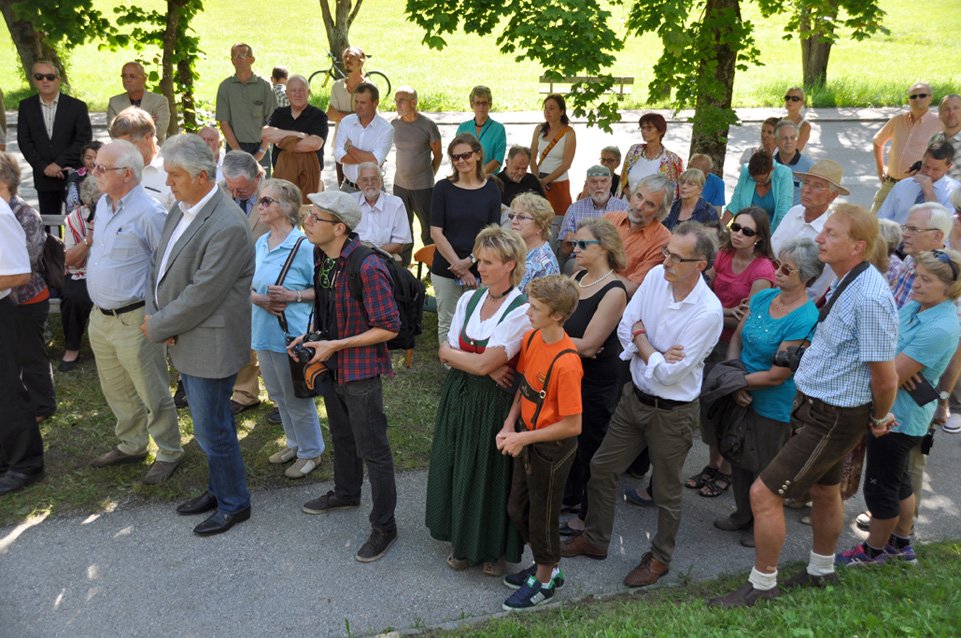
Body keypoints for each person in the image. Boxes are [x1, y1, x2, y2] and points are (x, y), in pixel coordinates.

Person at [710, 205, 898, 608]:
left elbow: (884, 374)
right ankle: (820, 570)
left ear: (858, 245)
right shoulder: (848, 280)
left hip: (834, 415)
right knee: (826, 490)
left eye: (830, 233)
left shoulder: (870, 296)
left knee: (764, 492)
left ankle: (761, 585)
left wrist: (881, 417)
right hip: (818, 407)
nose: (819, 239)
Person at [561, 222, 723, 588]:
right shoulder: (654, 278)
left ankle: (660, 558)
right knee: (601, 468)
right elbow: (625, 328)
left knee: (666, 491)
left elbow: (670, 374)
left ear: (700, 264)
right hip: (633, 397)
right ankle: (596, 539)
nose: (666, 262)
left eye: (677, 258)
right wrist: (650, 345)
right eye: (666, 252)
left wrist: (642, 340)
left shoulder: (708, 312)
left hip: (672, 413)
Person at [147, 133, 255, 536]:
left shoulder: (227, 224)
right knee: (207, 424)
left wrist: (160, 324)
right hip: (185, 333)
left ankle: (234, 502)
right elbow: (158, 265)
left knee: (213, 429)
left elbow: (204, 292)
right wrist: (158, 313)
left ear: (202, 176)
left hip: (209, 341)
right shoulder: (183, 206)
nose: (169, 182)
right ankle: (217, 489)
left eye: (174, 175)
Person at [836, 249, 961, 567]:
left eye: (925, 279)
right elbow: (884, 343)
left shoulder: (941, 327)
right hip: (895, 410)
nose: (915, 284)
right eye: (917, 275)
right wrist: (890, 362)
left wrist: (890, 365)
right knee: (900, 480)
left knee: (881, 488)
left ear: (948, 288)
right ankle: (902, 545)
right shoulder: (916, 306)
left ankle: (873, 553)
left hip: (897, 419)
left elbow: (889, 374)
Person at [296, 190, 400, 563]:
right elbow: (329, 308)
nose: (306, 221)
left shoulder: (368, 267)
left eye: (314, 217)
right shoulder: (321, 254)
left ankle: (385, 526)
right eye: (307, 213)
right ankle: (345, 492)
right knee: (341, 433)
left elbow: (388, 327)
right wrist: (313, 338)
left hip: (360, 370)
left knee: (373, 449)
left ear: (339, 227)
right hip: (332, 362)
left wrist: (337, 346)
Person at [426, 225, 531, 575]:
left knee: (488, 474)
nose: (480, 268)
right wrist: (483, 367)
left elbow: (469, 355)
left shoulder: (521, 309)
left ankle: (492, 549)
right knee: (458, 466)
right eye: (479, 260)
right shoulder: (470, 299)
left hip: (494, 404)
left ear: (511, 264)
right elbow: (444, 351)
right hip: (461, 395)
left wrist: (477, 363)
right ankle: (462, 542)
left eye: (488, 262)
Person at [85, 140, 184, 485]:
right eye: (95, 165)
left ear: (127, 174)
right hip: (101, 317)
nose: (93, 172)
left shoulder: (150, 213)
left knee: (151, 390)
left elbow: (168, 269)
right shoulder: (103, 203)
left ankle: (170, 450)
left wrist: (161, 318)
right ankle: (132, 444)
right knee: (115, 388)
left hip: (135, 318)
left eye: (101, 167)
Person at [713, 238, 822, 547]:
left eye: (787, 268)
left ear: (807, 276)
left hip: (771, 401)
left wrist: (739, 384)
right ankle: (742, 514)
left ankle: (761, 525)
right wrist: (735, 374)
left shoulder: (805, 317)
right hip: (741, 386)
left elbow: (779, 375)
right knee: (737, 454)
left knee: (765, 466)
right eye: (777, 264)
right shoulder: (764, 297)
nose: (778, 271)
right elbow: (737, 336)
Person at [499, 275, 583, 611]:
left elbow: (572, 425)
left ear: (558, 315)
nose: (528, 311)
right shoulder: (533, 338)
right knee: (517, 508)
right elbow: (524, 387)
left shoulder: (567, 363)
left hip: (551, 449)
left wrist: (524, 437)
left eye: (535, 307)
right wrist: (509, 424)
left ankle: (545, 580)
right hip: (527, 438)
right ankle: (549, 566)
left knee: (543, 516)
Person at [687, 207, 774, 498]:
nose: (738, 234)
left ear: (759, 238)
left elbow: (747, 320)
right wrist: (722, 311)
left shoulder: (762, 271)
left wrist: (713, 312)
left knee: (727, 410)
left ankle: (725, 471)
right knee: (710, 408)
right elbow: (699, 294)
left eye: (747, 231)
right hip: (710, 337)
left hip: (735, 346)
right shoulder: (723, 254)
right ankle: (712, 466)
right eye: (736, 227)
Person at [249, 178, 325, 479]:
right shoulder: (260, 242)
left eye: (267, 201)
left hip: (293, 335)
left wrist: (292, 296)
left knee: (295, 396)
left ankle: (311, 452)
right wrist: (259, 299)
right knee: (278, 396)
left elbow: (323, 291)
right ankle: (295, 444)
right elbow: (248, 286)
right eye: (260, 200)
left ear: (288, 207)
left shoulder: (304, 246)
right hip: (263, 331)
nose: (261, 206)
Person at [559, 217, 628, 537]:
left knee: (591, 445)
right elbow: (561, 323)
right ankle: (570, 497)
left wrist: (551, 336)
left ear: (603, 248)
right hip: (571, 372)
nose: (575, 249)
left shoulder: (615, 290)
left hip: (597, 381)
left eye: (582, 244)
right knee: (568, 441)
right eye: (574, 243)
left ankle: (588, 515)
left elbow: (590, 344)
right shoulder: (578, 276)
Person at [429, 133, 502, 344]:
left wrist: (470, 261)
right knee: (448, 320)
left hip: (482, 265)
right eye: (455, 157)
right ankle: (449, 366)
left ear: (478, 155)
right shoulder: (443, 188)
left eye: (466, 155)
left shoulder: (491, 189)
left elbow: (493, 233)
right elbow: (436, 231)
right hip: (446, 266)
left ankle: (473, 364)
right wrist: (458, 265)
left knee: (479, 319)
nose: (461, 161)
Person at [0, 153, 43, 496]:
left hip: (3, 313)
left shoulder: (1, 214)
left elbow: (19, 273)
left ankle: (26, 462)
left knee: (7, 389)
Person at [5, 156, 56, 423]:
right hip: (8, 298)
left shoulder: (25, 214)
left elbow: (29, 260)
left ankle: (42, 406)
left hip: (28, 298)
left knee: (31, 354)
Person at [220, 151, 269, 417]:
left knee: (269, 339)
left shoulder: (277, 194)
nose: (236, 192)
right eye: (232, 187)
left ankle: (282, 396)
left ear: (258, 176)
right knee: (240, 336)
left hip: (265, 279)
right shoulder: (219, 193)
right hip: (229, 278)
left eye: (243, 188)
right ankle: (245, 392)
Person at [17, 61, 92, 219]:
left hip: (72, 174)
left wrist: (58, 164)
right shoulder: (26, 106)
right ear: (33, 79)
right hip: (44, 176)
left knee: (78, 220)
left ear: (58, 79)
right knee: (49, 225)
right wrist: (44, 167)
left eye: (50, 77)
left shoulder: (77, 107)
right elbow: (24, 141)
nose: (45, 81)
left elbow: (83, 140)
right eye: (39, 76)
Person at [770, 159, 848, 300]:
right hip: (765, 286)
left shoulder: (831, 235)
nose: (806, 190)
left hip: (791, 302)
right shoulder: (794, 212)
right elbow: (770, 249)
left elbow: (816, 291)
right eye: (806, 183)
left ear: (833, 195)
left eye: (817, 186)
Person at [871, 82, 942, 213]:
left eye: (922, 95)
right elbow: (877, 142)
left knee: (907, 227)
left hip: (916, 187)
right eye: (913, 97)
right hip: (890, 184)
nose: (917, 99)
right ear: (908, 100)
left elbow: (945, 155)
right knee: (872, 224)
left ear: (930, 98)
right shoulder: (898, 120)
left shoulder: (938, 124)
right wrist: (880, 169)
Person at [391, 86, 442, 265]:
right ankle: (404, 267)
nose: (397, 104)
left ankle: (432, 267)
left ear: (414, 102)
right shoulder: (394, 124)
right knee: (403, 229)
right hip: (400, 185)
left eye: (401, 100)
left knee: (428, 230)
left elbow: (438, 155)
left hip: (423, 187)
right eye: (396, 100)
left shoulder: (427, 125)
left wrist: (429, 175)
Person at [605, 173, 673, 296]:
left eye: (650, 204)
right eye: (639, 196)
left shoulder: (663, 241)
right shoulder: (609, 219)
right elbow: (580, 264)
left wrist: (595, 268)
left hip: (621, 304)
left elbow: (631, 289)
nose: (639, 206)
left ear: (660, 211)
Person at [59, 174, 101, 372]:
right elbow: (69, 260)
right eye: (94, 202)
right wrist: (89, 239)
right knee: (74, 296)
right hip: (81, 270)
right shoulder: (75, 219)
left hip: (109, 271)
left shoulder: (120, 214)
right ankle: (72, 348)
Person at [262, 74, 328, 200]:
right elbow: (266, 133)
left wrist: (284, 141)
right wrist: (298, 135)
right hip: (281, 179)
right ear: (287, 93)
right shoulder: (279, 113)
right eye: (293, 90)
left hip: (310, 179)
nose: (297, 94)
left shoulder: (318, 116)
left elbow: (315, 143)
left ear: (308, 92)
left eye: (301, 90)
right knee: (280, 215)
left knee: (307, 216)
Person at [216, 43, 277, 173]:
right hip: (234, 147)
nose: (237, 59)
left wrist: (261, 151)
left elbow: (272, 120)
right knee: (234, 190)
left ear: (251, 59)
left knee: (263, 189)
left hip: (260, 147)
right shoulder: (225, 87)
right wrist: (238, 152)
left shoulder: (264, 86)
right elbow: (223, 123)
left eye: (241, 55)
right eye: (234, 56)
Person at [557, 165, 629, 268]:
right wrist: (569, 241)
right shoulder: (574, 209)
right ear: (587, 184)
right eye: (594, 182)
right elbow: (564, 250)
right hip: (581, 260)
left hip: (611, 260)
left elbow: (625, 243)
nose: (599, 186)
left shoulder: (623, 209)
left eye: (603, 181)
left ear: (611, 183)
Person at [876, 140, 959, 224]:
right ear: (922, 159)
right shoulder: (903, 185)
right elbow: (882, 218)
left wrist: (929, 193)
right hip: (897, 235)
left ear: (948, 167)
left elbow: (945, 225)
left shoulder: (955, 192)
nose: (929, 172)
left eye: (936, 169)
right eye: (926, 166)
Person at [109, 106, 174, 209]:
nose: (124, 151)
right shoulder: (114, 169)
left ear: (147, 137)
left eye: (129, 145)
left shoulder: (171, 171)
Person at [333, 82, 393, 193]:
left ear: (375, 103)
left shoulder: (386, 129)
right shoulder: (346, 122)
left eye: (363, 103)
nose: (358, 106)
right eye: (356, 102)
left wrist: (349, 148)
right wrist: (366, 157)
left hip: (374, 190)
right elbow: (337, 154)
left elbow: (375, 161)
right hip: (348, 188)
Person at [530, 93, 576, 222]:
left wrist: (545, 181)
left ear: (561, 112)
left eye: (552, 108)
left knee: (559, 220)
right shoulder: (539, 129)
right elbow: (532, 156)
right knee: (538, 220)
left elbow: (567, 164)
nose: (547, 112)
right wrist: (537, 179)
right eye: (546, 108)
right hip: (540, 180)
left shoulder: (569, 133)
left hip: (558, 182)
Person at [619, 113, 683, 199]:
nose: (644, 131)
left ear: (661, 131)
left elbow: (674, 193)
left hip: (654, 209)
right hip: (627, 205)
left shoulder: (672, 159)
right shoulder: (634, 151)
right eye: (642, 128)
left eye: (649, 128)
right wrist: (628, 192)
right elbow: (623, 180)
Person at [724, 151, 793, 230]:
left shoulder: (784, 173)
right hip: (746, 230)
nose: (758, 183)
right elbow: (735, 204)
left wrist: (775, 238)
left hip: (772, 231)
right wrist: (720, 228)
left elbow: (783, 212)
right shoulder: (746, 171)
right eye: (754, 180)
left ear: (772, 169)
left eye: (762, 180)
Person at [353, 162, 411, 256]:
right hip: (353, 256)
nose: (370, 183)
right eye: (365, 180)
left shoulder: (395, 204)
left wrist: (371, 253)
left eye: (374, 179)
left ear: (381, 181)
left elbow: (399, 244)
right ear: (358, 184)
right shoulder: (350, 202)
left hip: (382, 257)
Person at [107, 61, 173, 143]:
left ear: (144, 79)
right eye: (124, 76)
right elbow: (113, 133)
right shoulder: (114, 102)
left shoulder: (160, 101)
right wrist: (147, 123)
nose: (128, 79)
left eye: (132, 76)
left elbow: (159, 132)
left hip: (153, 152)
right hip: (125, 152)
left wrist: (126, 128)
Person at [509, 192, 559, 291]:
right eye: (512, 216)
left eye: (521, 217)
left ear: (540, 225)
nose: (513, 221)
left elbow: (539, 304)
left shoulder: (545, 264)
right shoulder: (513, 250)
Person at [455, 86, 507, 175]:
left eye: (484, 103)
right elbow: (456, 154)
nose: (481, 106)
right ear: (472, 105)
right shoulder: (463, 128)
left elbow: (498, 159)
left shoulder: (499, 129)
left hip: (489, 178)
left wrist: (479, 174)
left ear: (490, 104)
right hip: (465, 177)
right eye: (477, 103)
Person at [773, 120, 814, 207]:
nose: (789, 141)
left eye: (793, 138)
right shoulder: (769, 165)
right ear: (776, 141)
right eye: (784, 138)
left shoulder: (810, 168)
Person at [326, 46, 367, 124]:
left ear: (360, 62)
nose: (348, 59)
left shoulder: (369, 87)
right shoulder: (337, 86)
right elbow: (330, 115)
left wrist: (338, 115)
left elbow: (368, 118)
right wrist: (356, 116)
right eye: (345, 57)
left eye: (352, 57)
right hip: (340, 136)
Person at [930, 94, 961, 180]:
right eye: (946, 109)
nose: (951, 113)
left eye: (956, 108)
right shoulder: (935, 139)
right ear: (940, 115)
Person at [65, 140, 102, 212]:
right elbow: (72, 205)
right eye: (88, 158)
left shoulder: (111, 175)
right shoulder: (75, 177)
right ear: (83, 159)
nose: (93, 162)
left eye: (97, 157)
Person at [782, 87, 812, 151]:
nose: (790, 101)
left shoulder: (805, 126)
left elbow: (795, 151)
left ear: (802, 103)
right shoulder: (780, 121)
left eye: (795, 99)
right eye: (787, 98)